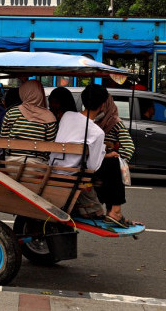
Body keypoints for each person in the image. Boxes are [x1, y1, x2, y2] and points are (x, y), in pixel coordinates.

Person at [49, 84, 109, 219]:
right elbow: (93, 166)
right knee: (110, 165)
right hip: (70, 175)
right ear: (103, 105)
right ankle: (105, 209)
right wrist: (104, 152)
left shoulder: (67, 116)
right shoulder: (98, 132)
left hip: (52, 169)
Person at [93, 94, 137, 228]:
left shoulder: (115, 123)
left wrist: (118, 157)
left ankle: (111, 212)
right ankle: (112, 212)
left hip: (104, 163)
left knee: (113, 167)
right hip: (95, 163)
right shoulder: (92, 121)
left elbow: (129, 146)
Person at [0, 79, 57, 164]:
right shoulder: (49, 117)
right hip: (37, 165)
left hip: (11, 163)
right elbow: (50, 145)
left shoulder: (11, 113)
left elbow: (3, 138)